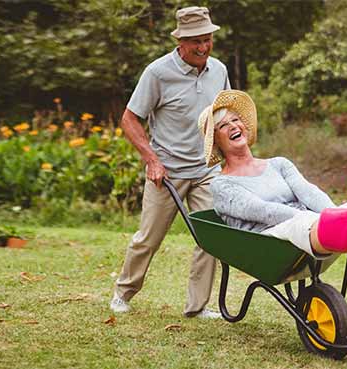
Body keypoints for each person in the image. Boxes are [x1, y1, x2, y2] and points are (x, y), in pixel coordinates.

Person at [110, 6, 230, 318]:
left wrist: (231, 158)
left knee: (210, 238)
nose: (203, 47)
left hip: (206, 170)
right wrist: (151, 159)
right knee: (148, 238)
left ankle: (197, 306)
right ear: (180, 42)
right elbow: (129, 118)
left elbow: (225, 115)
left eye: (207, 40)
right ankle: (123, 293)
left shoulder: (218, 70)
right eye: (196, 42)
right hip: (167, 171)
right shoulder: (158, 73)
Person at [197, 89, 347, 257]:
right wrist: (319, 219)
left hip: (307, 226)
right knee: (300, 225)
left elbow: (309, 193)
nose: (233, 126)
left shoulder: (279, 164)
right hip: (269, 239)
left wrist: (334, 213)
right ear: (215, 141)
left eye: (235, 120)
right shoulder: (222, 185)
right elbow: (262, 211)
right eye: (223, 125)